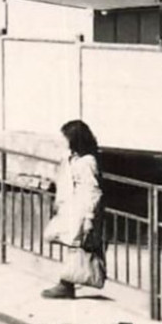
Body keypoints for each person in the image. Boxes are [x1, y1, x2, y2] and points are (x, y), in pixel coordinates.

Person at [40, 119, 107, 299]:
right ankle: (66, 283)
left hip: (82, 209)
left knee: (78, 245)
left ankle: (66, 284)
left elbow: (92, 191)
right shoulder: (73, 157)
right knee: (68, 241)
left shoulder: (87, 162)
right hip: (71, 207)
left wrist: (89, 217)